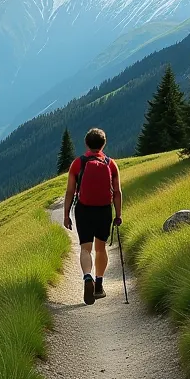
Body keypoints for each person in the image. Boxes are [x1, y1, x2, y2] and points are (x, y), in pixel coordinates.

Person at [62, 127, 123, 305]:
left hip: (84, 210)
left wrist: (66, 215)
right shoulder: (110, 164)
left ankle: (87, 277)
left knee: (85, 248)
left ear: (86, 143)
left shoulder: (78, 163)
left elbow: (70, 192)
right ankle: (99, 284)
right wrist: (118, 215)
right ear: (104, 144)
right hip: (104, 210)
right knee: (100, 248)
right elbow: (117, 192)